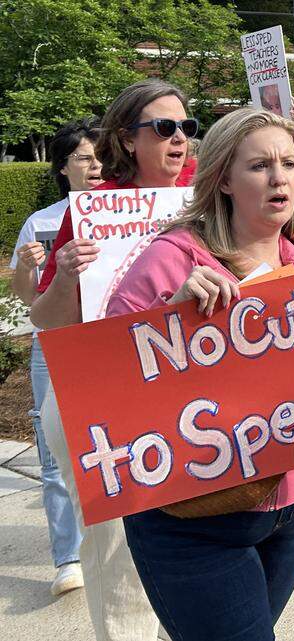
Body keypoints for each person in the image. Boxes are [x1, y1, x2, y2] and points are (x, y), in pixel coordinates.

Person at [104, 107, 294, 640]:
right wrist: (169, 318)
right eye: (259, 166)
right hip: (190, 520)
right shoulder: (170, 260)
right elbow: (102, 382)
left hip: (291, 509)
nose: (278, 177)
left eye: (288, 163)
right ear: (225, 179)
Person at [31, 78, 196, 641]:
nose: (180, 140)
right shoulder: (91, 214)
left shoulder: (206, 201)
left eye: (188, 128)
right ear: (127, 139)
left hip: (184, 397)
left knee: (186, 554)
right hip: (98, 397)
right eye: (164, 128)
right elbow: (47, 320)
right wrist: (68, 273)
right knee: (117, 559)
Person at [8, 117, 102, 597]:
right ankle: (68, 556)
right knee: (53, 454)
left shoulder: (125, 211)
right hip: (54, 348)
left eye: (99, 156)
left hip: (109, 346)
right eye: (84, 158)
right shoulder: (41, 222)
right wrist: (26, 271)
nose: (94, 165)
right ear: (63, 169)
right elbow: (27, 299)